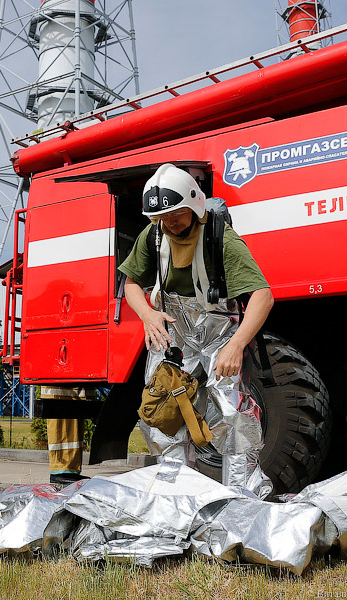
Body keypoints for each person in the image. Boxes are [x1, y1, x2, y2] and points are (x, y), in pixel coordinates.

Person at [117, 163, 274, 494]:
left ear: (194, 204)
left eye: (177, 213)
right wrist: (147, 314)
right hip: (174, 331)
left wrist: (236, 346)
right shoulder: (154, 234)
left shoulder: (221, 239)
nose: (171, 221)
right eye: (163, 217)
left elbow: (262, 296)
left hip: (219, 331)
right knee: (160, 410)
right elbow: (131, 283)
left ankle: (242, 495)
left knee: (231, 412)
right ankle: (177, 493)